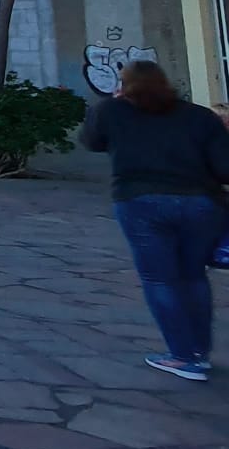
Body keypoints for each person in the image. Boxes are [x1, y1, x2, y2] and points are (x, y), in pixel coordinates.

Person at [81, 59, 229, 381]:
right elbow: (225, 167)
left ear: (125, 83)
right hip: (200, 204)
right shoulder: (200, 116)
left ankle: (181, 356)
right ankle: (199, 354)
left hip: (139, 201)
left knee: (160, 279)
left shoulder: (110, 111)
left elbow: (91, 142)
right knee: (193, 277)